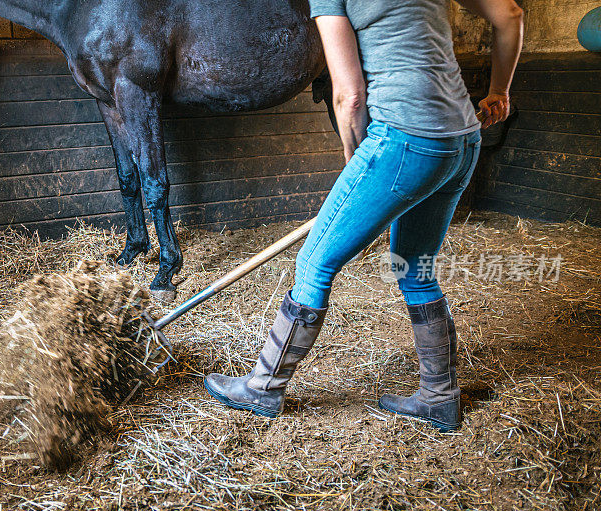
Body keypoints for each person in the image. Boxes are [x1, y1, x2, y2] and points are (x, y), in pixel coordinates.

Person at [204, 0, 524, 431]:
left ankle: (263, 388)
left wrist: (360, 167)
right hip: (462, 138)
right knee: (415, 267)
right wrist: (500, 91)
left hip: (405, 136)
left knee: (314, 262)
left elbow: (349, 95)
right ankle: (439, 397)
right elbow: (510, 13)